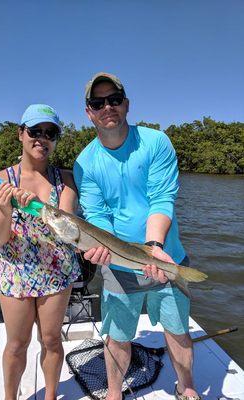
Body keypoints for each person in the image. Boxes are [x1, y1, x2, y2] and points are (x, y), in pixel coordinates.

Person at [73, 73, 201, 400]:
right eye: (97, 103)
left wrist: (154, 248)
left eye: (114, 99)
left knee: (178, 331)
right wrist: (101, 252)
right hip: (117, 266)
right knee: (116, 338)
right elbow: (97, 216)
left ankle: (186, 388)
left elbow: (161, 199)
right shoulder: (85, 163)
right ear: (88, 112)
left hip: (166, 256)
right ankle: (114, 394)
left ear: (126, 104)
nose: (107, 107)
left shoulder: (156, 142)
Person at [0, 104, 80, 400]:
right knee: (17, 344)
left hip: (56, 271)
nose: (42, 138)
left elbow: (68, 231)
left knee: (51, 340)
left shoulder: (65, 180)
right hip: (16, 271)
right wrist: (4, 209)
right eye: (35, 131)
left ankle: (50, 396)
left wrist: (37, 208)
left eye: (50, 132)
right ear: (20, 134)